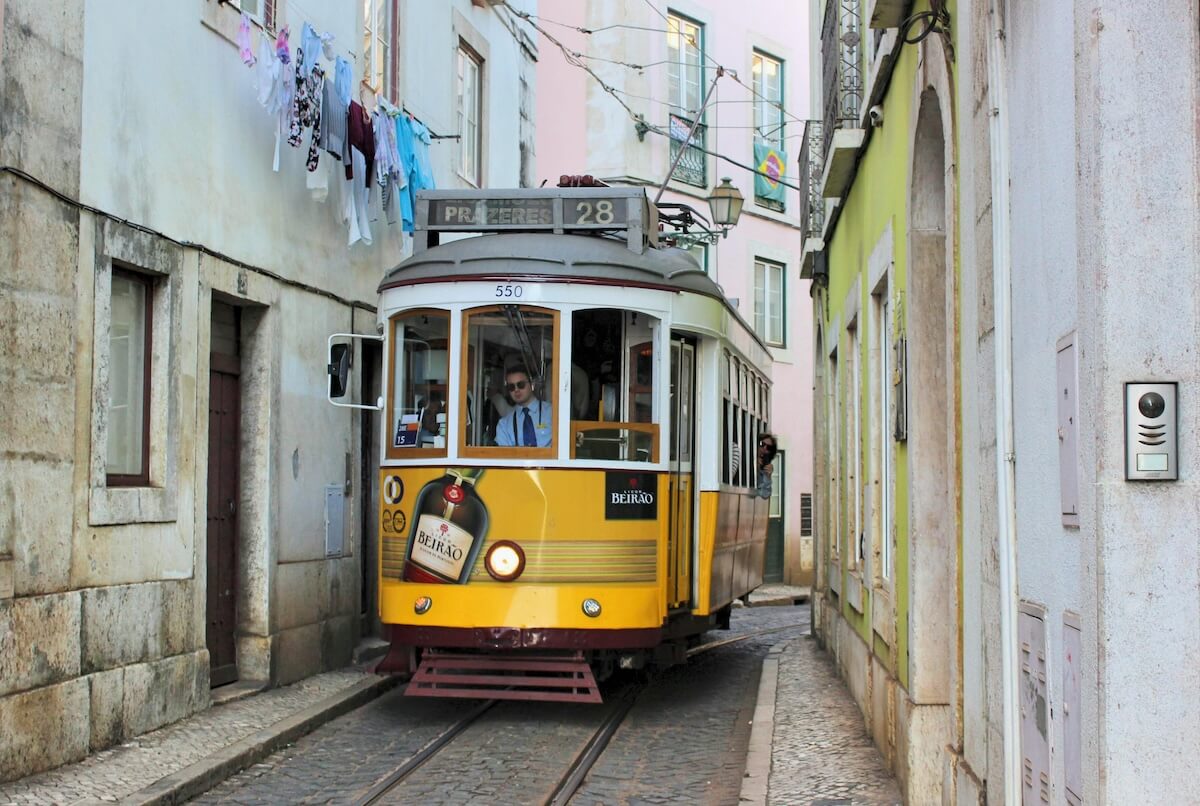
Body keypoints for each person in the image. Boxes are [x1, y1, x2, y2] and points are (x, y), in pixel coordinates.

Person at [494, 367, 553, 447]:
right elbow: (504, 457)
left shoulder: (553, 412)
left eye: (521, 385)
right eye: (511, 387)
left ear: (532, 384)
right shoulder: (504, 424)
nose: (516, 390)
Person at [756, 433, 778, 499]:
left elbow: (765, 495)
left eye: (769, 447)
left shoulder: (764, 467)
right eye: (762, 444)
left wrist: (768, 476)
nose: (765, 448)